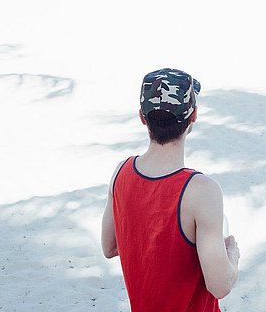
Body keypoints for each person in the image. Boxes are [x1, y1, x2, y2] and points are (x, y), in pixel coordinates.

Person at [101, 68, 240, 312]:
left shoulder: (121, 173)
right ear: (193, 116)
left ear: (143, 118)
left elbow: (110, 247)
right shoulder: (200, 191)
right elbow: (220, 286)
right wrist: (232, 254)